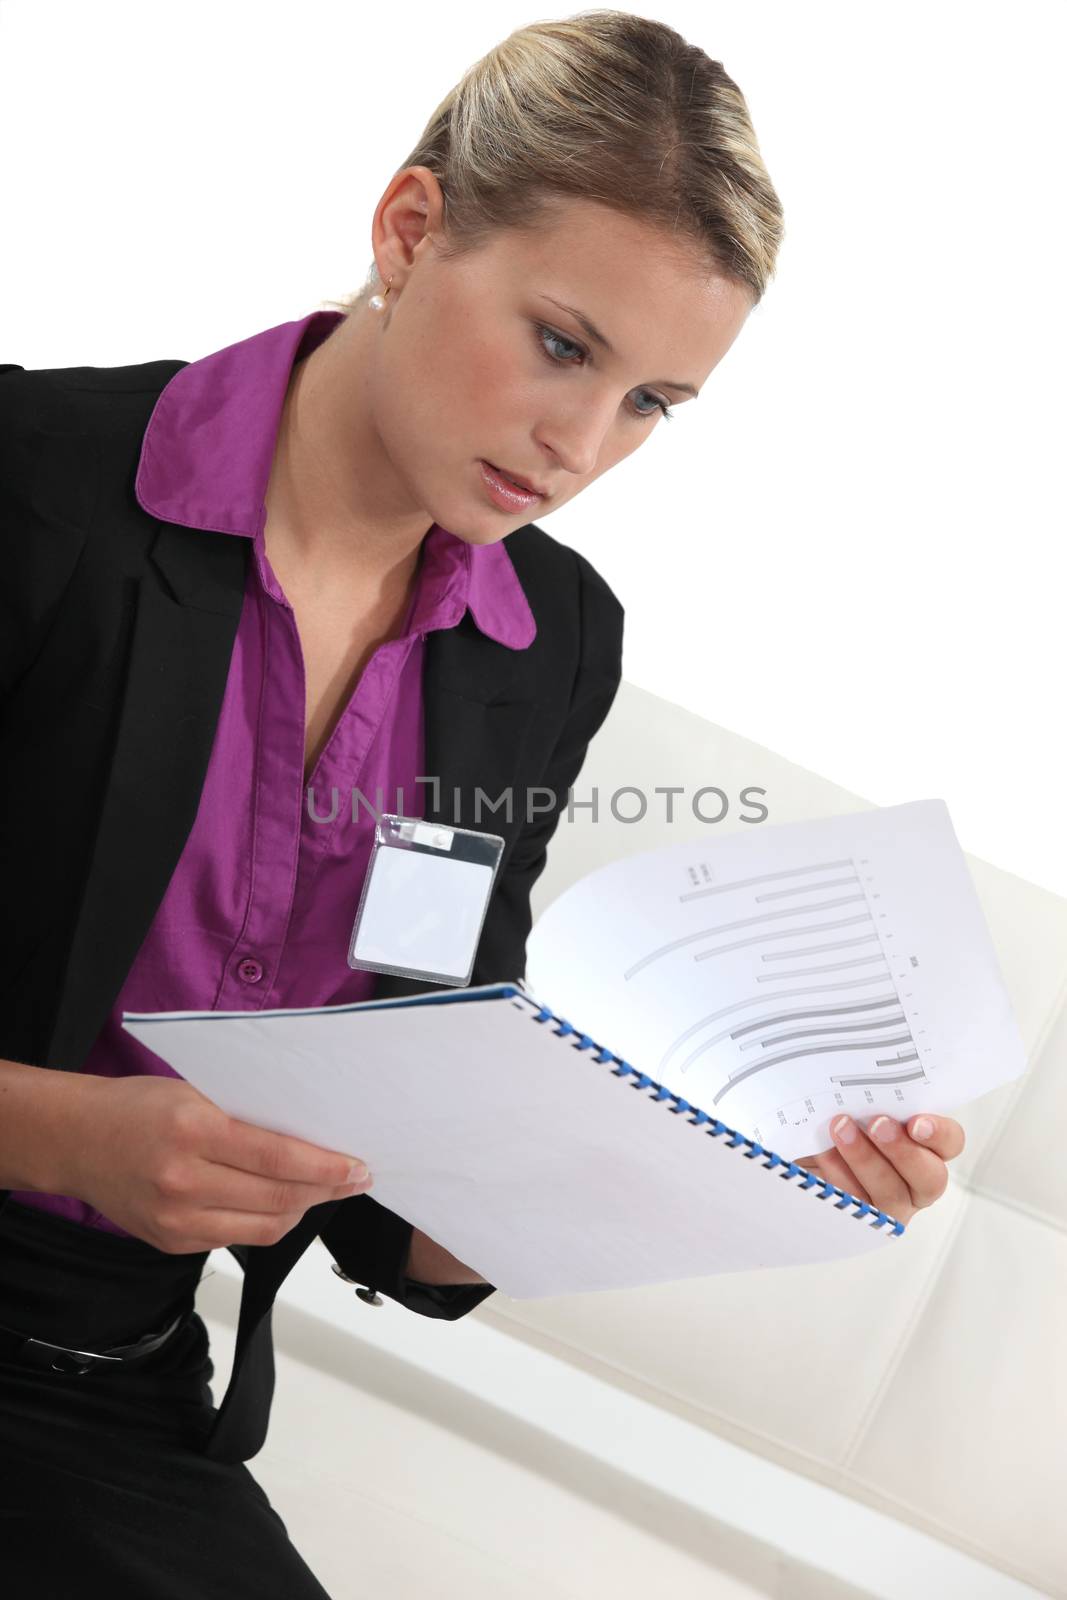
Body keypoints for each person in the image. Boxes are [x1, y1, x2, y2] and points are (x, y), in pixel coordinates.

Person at [0, 9, 964, 1594]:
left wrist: (705, 1163)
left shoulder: (549, 641)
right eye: (565, 345)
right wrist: (64, 1135)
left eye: (655, 402)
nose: (583, 444)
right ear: (410, 227)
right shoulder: (37, 491)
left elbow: (403, 1191)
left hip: (104, 1382)